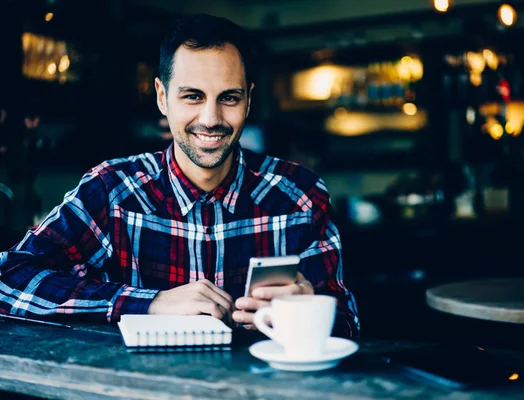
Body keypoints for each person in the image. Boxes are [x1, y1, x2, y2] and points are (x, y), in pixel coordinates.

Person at [0, 14, 360, 337]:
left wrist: (311, 309)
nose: (210, 118)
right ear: (162, 97)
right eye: (192, 96)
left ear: (249, 100)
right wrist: (150, 303)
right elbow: (8, 278)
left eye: (229, 98)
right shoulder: (112, 190)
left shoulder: (300, 195)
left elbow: (348, 322)